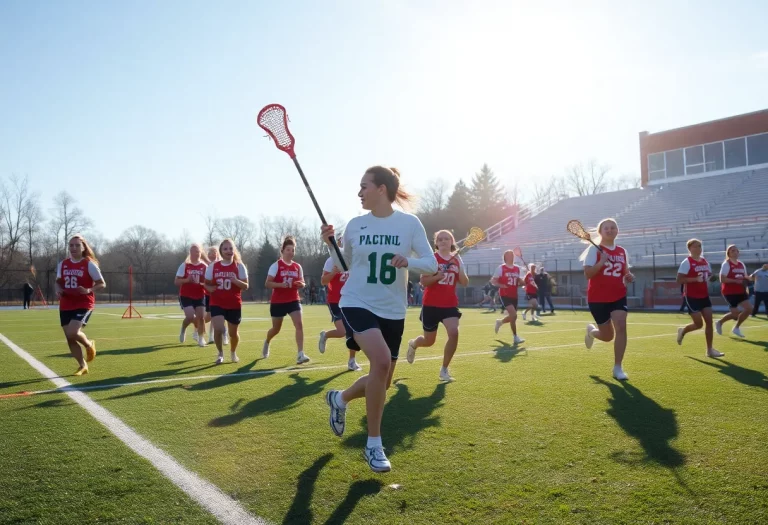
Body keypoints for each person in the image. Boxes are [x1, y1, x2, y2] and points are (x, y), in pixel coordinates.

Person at [322, 165, 437, 473]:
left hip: (393, 309)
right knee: (382, 361)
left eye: (364, 186)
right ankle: (374, 445)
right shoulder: (355, 225)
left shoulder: (409, 224)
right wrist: (330, 244)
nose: (359, 192)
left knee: (382, 381)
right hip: (356, 301)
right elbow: (341, 265)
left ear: (381, 189)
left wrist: (408, 261)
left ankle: (340, 398)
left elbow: (431, 264)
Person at [406, 229, 468, 381]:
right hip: (431, 305)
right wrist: (437, 277)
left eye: (447, 238)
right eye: (440, 239)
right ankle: (414, 344)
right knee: (429, 341)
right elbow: (423, 281)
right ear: (436, 243)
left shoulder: (457, 259)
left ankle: (444, 370)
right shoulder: (432, 259)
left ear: (452, 242)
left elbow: (465, 282)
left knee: (454, 333)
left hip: (449, 305)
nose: (443, 241)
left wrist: (458, 265)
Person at [582, 218, 635, 381]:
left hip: (618, 294)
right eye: (606, 228)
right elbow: (588, 274)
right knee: (607, 337)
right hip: (597, 297)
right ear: (600, 231)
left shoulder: (622, 251)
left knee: (621, 325)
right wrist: (602, 262)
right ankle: (591, 331)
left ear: (617, 231)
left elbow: (624, 272)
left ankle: (617, 367)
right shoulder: (594, 250)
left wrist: (629, 276)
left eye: (613, 227)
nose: (610, 230)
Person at [55, 235, 106, 376]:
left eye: (77, 245)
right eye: (71, 245)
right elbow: (58, 282)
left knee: (73, 332)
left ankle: (89, 345)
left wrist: (89, 289)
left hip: (84, 303)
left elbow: (102, 283)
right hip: (66, 303)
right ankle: (82, 366)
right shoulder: (63, 264)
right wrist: (58, 290)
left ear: (83, 247)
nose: (74, 248)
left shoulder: (89, 264)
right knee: (69, 337)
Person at [262, 236, 310, 365]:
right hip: (278, 301)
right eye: (288, 249)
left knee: (299, 325)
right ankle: (267, 341)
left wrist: (301, 284)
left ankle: (300, 354)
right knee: (276, 329)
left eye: (293, 250)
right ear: (282, 251)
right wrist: (281, 285)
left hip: (293, 300)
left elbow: (303, 283)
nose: (291, 252)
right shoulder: (276, 265)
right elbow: (268, 283)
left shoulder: (297, 266)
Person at [318, 237, 362, 371]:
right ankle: (325, 335)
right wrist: (333, 273)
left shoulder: (354, 260)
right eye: (340, 243)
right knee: (342, 331)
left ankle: (352, 360)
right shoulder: (331, 260)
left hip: (351, 300)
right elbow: (323, 281)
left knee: (354, 331)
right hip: (335, 301)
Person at [676, 239, 722, 358]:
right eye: (696, 246)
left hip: (704, 296)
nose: (698, 248)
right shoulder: (687, 262)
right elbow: (679, 279)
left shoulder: (705, 262)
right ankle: (683, 331)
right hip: (691, 297)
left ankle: (709, 350)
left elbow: (709, 276)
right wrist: (695, 279)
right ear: (690, 248)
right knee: (698, 324)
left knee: (709, 322)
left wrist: (714, 278)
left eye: (700, 246)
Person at [204, 239, 248, 364]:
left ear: (234, 250)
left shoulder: (239, 266)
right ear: (221, 252)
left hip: (234, 303)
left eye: (230, 248)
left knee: (233, 334)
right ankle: (220, 353)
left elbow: (245, 286)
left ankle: (233, 352)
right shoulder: (213, 266)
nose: (229, 251)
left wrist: (236, 281)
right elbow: (205, 284)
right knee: (218, 328)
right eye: (225, 249)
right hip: (217, 302)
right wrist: (209, 288)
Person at [174, 243, 208, 347]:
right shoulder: (185, 265)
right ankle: (183, 329)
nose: (195, 253)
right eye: (193, 251)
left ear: (200, 253)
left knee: (201, 317)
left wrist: (203, 283)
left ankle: (201, 338)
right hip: (186, 294)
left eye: (197, 251)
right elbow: (176, 281)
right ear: (190, 253)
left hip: (200, 294)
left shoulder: (204, 266)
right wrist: (187, 280)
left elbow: (208, 282)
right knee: (189, 317)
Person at [715, 245, 752, 337]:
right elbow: (722, 279)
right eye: (732, 251)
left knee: (749, 309)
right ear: (728, 253)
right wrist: (735, 281)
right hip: (729, 292)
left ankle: (736, 328)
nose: (735, 252)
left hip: (741, 291)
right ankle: (719, 322)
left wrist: (752, 278)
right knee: (735, 314)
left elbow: (745, 277)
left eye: (736, 251)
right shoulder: (726, 264)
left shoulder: (741, 264)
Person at [492, 250, 525, 344]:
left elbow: (519, 282)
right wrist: (502, 285)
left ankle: (501, 323)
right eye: (509, 255)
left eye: (512, 255)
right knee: (513, 315)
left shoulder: (517, 269)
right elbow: (493, 281)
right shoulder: (501, 268)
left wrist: (524, 282)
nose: (511, 257)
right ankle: (515, 336)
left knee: (513, 317)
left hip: (514, 295)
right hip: (504, 294)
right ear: (505, 257)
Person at [203, 246, 228, 345]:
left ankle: (222, 334)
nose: (213, 254)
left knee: (222, 316)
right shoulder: (207, 265)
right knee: (212, 316)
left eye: (215, 252)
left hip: (222, 294)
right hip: (210, 294)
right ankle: (208, 334)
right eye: (211, 252)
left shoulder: (222, 264)